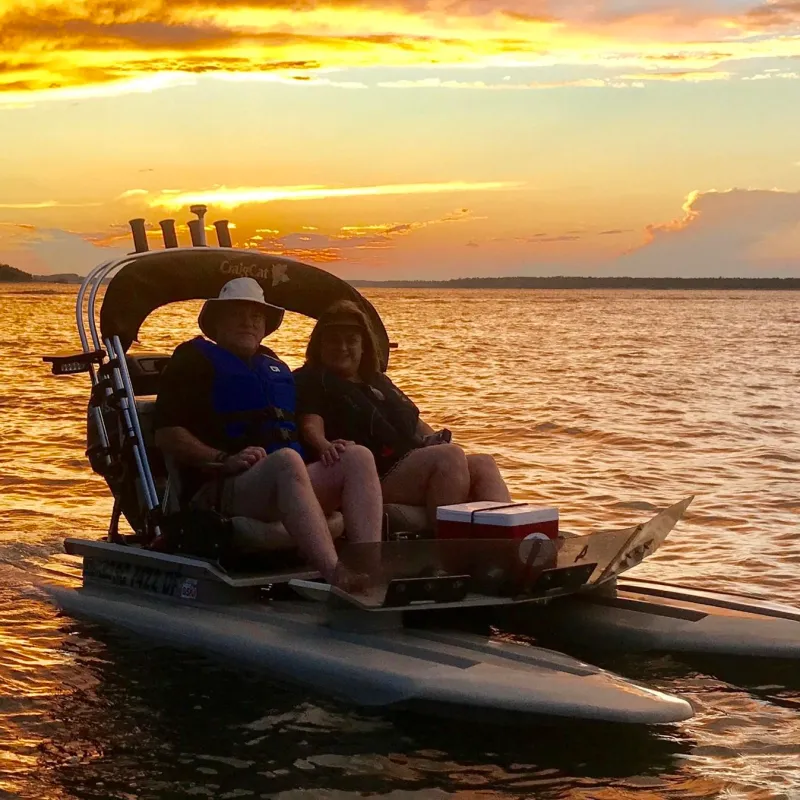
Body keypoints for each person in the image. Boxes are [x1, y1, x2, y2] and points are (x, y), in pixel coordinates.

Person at [152, 278, 383, 588]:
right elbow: (166, 434)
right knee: (286, 460)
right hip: (222, 488)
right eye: (238, 314)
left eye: (256, 316)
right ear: (217, 322)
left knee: (356, 456)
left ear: (265, 326)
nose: (248, 322)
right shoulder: (192, 362)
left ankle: (371, 571)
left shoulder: (273, 366)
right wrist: (223, 459)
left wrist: (328, 446)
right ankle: (334, 574)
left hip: (284, 483)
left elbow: (293, 428)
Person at [293, 300, 512, 526]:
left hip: (408, 461)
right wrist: (323, 445)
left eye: (351, 341)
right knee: (449, 458)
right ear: (319, 346)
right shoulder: (311, 380)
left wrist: (437, 440)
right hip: (372, 474)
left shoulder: (377, 382)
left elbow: (415, 423)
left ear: (363, 346)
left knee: (483, 464)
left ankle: (508, 547)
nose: (342, 348)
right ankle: (446, 553)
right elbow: (310, 423)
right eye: (333, 341)